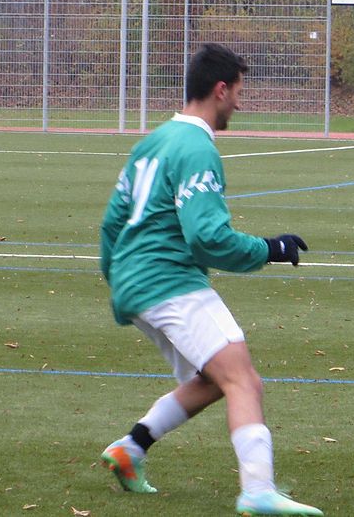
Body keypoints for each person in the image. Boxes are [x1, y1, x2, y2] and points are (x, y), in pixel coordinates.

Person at [98, 43, 323, 516]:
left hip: (136, 282)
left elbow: (111, 224)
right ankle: (258, 491)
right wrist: (271, 249)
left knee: (213, 378)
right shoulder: (197, 146)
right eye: (238, 92)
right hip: (168, 280)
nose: (239, 104)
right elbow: (208, 238)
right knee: (243, 380)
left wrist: (119, 281)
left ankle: (129, 449)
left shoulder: (153, 141)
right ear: (220, 90)